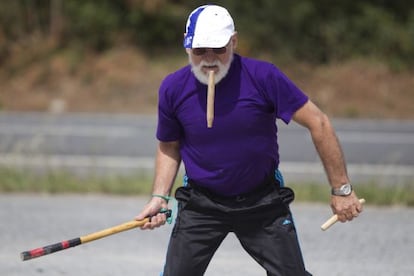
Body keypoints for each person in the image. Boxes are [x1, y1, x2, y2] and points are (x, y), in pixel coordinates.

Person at [135, 4, 363, 276]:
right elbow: (170, 145)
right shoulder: (173, 87)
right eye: (199, 51)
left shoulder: (263, 76)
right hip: (202, 202)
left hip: (261, 201)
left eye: (218, 49)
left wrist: (342, 190)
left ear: (234, 42)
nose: (209, 59)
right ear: (187, 47)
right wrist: (160, 197)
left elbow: (319, 123)